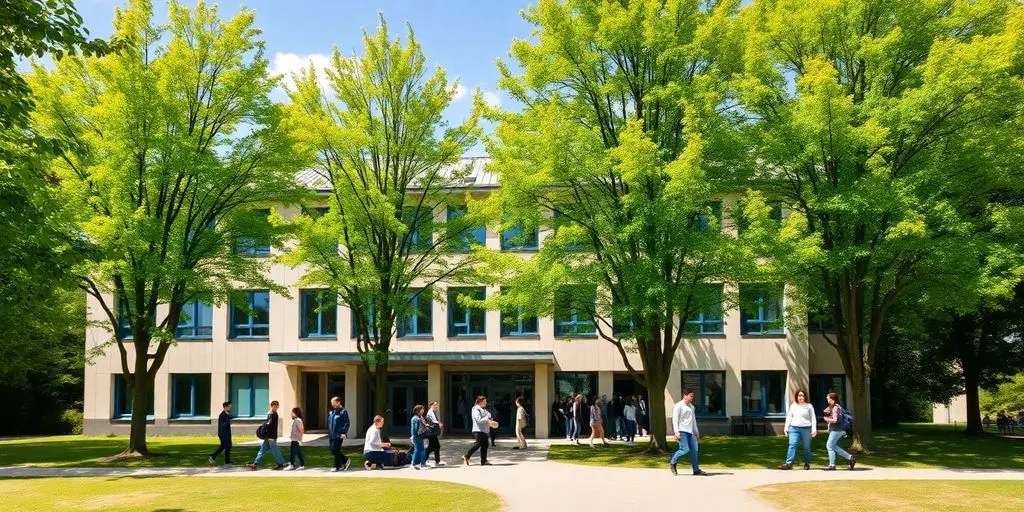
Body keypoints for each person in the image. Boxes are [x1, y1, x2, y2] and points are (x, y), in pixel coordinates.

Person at [669, 388, 707, 476]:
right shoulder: (678, 405)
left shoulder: (691, 406)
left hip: (691, 431)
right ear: (685, 395)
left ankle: (696, 470)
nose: (692, 398)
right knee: (684, 449)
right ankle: (673, 461)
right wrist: (676, 432)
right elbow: (675, 419)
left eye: (693, 396)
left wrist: (696, 430)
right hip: (682, 431)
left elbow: (693, 420)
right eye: (691, 396)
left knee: (694, 450)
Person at [779, 388, 817, 470]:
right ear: (796, 397)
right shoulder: (793, 406)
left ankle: (807, 463)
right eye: (799, 396)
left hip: (806, 429)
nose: (800, 397)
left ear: (805, 397)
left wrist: (814, 429)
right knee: (792, 445)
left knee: (806, 447)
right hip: (794, 428)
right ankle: (788, 464)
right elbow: (789, 417)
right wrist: (786, 428)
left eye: (802, 396)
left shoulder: (809, 406)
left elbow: (813, 418)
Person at [822, 392, 856, 470]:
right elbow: (825, 411)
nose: (827, 399)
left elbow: (835, 420)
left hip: (837, 429)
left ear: (832, 399)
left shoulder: (835, 408)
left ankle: (832, 465)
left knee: (829, 445)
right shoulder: (835, 406)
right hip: (838, 429)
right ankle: (851, 458)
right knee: (833, 446)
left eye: (828, 398)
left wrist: (826, 419)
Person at [247, 400, 285, 470]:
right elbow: (268, 424)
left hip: (271, 437)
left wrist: (268, 435)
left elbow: (269, 425)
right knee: (262, 450)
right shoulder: (271, 414)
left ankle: (281, 464)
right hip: (269, 436)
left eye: (277, 406)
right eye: (275, 406)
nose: (276, 407)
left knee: (275, 451)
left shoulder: (273, 415)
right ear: (272, 406)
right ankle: (255, 463)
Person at [463, 395, 493, 465]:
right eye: (484, 401)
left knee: (485, 445)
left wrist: (490, 419)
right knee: (478, 444)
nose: (486, 403)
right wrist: (487, 418)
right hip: (478, 430)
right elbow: (478, 419)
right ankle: (467, 456)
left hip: (484, 430)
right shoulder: (476, 409)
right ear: (480, 402)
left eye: (486, 401)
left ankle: (484, 461)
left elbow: (489, 416)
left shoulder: (484, 409)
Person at [327, 396, 351, 472]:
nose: (332, 404)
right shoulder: (331, 412)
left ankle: (336, 465)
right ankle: (345, 460)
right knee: (332, 450)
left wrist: (344, 433)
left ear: (338, 402)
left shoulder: (343, 412)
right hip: (332, 435)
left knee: (335, 449)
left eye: (333, 402)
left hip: (339, 434)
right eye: (331, 403)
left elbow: (347, 423)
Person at [209, 401, 232, 465]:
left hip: (227, 434)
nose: (230, 408)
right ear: (225, 407)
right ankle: (226, 461)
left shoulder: (226, 414)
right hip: (223, 434)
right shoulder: (222, 415)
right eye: (229, 406)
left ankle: (213, 457)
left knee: (225, 446)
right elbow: (223, 425)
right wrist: (227, 421)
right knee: (227, 446)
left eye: (230, 406)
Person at [423, 401, 445, 466]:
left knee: (436, 447)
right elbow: (432, 421)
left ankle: (437, 462)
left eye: (436, 405)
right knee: (432, 447)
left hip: (433, 433)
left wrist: (438, 423)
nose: (436, 406)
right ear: (431, 406)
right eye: (434, 405)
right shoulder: (430, 412)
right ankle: (424, 460)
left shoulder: (433, 412)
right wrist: (439, 423)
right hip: (431, 433)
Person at [410, 404, 430, 470]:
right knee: (421, 450)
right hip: (417, 436)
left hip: (417, 436)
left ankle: (416, 463)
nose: (423, 411)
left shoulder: (418, 417)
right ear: (418, 411)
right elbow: (416, 429)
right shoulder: (417, 418)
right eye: (422, 410)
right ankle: (420, 464)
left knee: (418, 450)